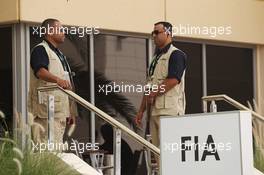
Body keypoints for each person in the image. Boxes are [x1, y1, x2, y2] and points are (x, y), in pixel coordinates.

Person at [134, 21, 186, 160]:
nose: (154, 35)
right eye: (153, 33)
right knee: (159, 156)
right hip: (155, 112)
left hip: (170, 112)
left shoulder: (176, 54)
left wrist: (154, 92)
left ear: (168, 33)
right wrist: (141, 111)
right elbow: (149, 85)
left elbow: (173, 80)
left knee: (170, 155)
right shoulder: (155, 58)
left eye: (157, 32)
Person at [28, 18, 77, 146]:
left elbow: (67, 82)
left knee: (55, 153)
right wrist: (58, 80)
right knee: (47, 153)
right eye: (60, 29)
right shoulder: (40, 50)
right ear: (50, 31)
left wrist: (71, 110)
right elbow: (40, 71)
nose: (64, 32)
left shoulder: (59, 54)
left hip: (59, 112)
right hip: (46, 113)